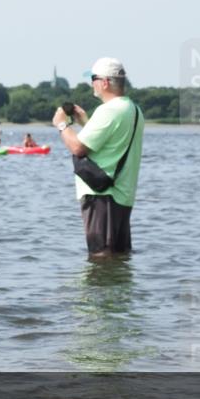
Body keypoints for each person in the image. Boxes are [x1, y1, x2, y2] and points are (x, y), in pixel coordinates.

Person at [53, 57, 144, 256]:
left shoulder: (108, 111)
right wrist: (86, 121)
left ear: (104, 82)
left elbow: (78, 148)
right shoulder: (134, 109)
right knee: (119, 258)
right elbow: (109, 142)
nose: (91, 83)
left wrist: (62, 124)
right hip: (122, 196)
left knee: (101, 258)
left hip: (103, 196)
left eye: (93, 78)